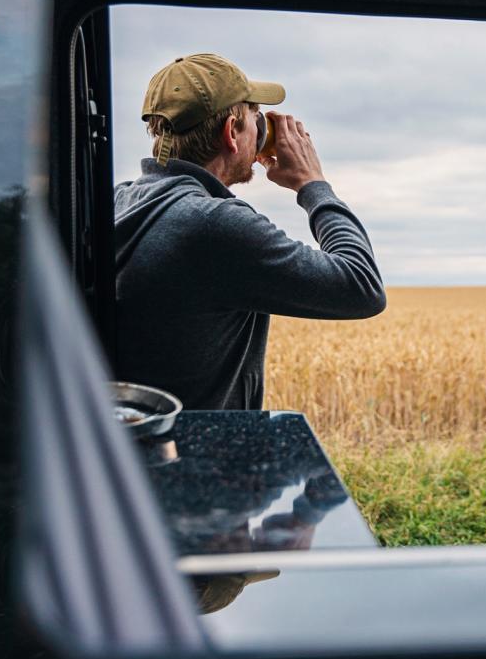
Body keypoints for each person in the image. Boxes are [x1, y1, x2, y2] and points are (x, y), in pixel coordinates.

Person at [113, 53, 386, 410]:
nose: (262, 128)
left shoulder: (120, 199)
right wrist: (312, 184)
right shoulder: (212, 223)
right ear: (231, 132)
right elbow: (361, 287)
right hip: (198, 454)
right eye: (255, 117)